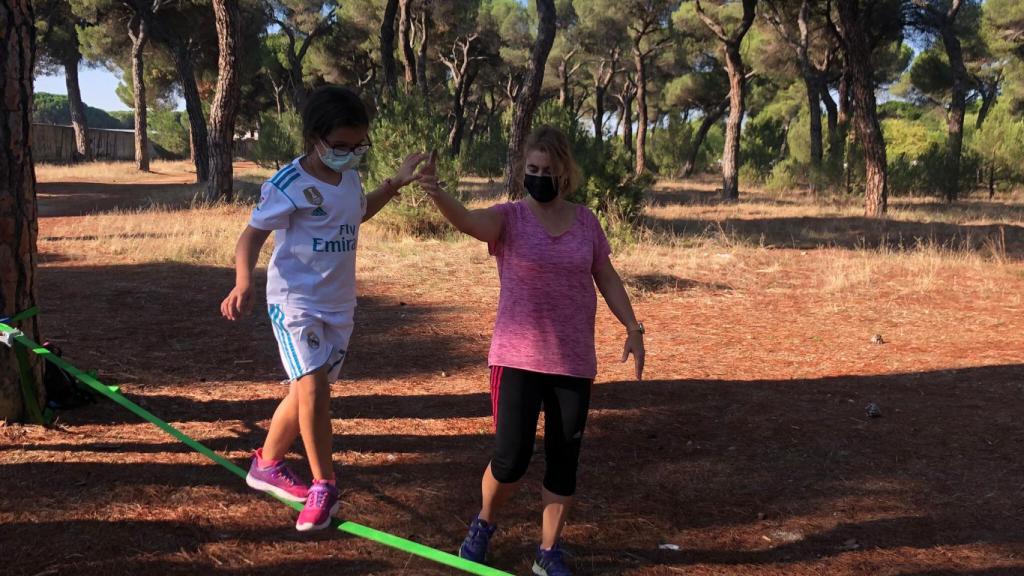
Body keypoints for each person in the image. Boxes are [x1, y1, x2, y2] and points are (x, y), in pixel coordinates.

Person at [419, 126, 646, 575]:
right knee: (510, 460)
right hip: (517, 358)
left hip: (573, 362)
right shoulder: (509, 219)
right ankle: (484, 524)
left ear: (564, 173)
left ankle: (547, 552)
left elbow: (607, 276)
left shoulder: (586, 222)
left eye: (547, 170)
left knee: (564, 464)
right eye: (532, 169)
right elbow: (468, 220)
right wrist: (435, 190)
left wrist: (633, 326)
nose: (539, 177)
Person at [220, 85, 429, 532]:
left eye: (358, 147)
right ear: (315, 138)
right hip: (295, 303)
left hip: (339, 307)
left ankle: (267, 464)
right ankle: (324, 485)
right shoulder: (288, 184)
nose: (350, 155)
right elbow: (251, 236)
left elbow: (355, 213)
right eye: (340, 146)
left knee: (305, 395)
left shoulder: (349, 177)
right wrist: (243, 282)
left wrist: (393, 183)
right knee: (312, 388)